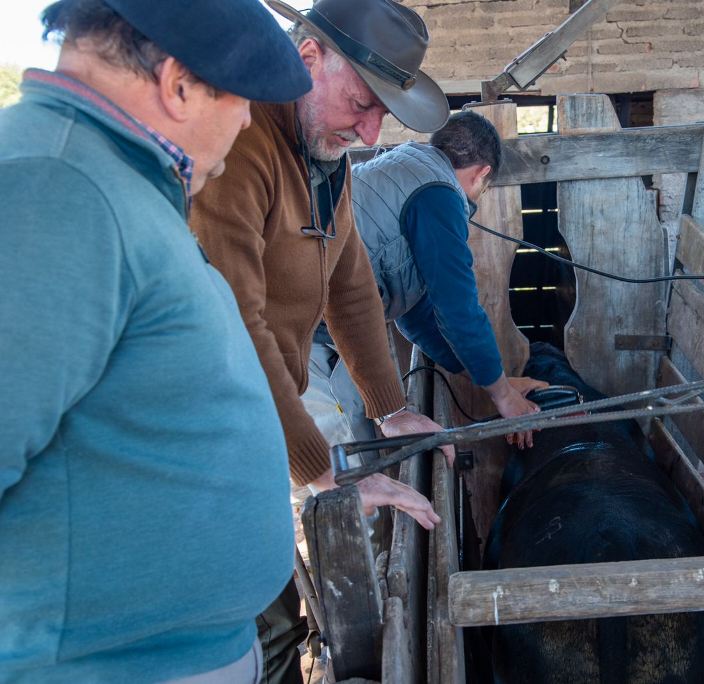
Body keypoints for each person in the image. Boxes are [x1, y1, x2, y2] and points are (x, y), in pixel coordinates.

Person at [0, 0, 311, 681]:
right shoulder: (54, 188)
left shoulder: (109, 178)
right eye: (242, 101)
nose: (248, 122)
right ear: (177, 85)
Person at [189, 0, 454, 680]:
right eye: (360, 103)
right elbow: (233, 324)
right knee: (254, 606)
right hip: (206, 423)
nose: (368, 131)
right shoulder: (242, 145)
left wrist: (390, 405)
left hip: (261, 412)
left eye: (380, 117)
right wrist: (317, 470)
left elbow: (352, 286)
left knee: (275, 573)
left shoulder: (322, 157)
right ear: (307, 59)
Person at [341, 111, 548, 449]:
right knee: (342, 455)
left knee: (356, 446)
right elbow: (458, 311)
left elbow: (418, 315)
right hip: (312, 331)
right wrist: (504, 397)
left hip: (324, 323)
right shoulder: (438, 194)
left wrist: (497, 383)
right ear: (483, 173)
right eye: (484, 189)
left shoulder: (405, 166)